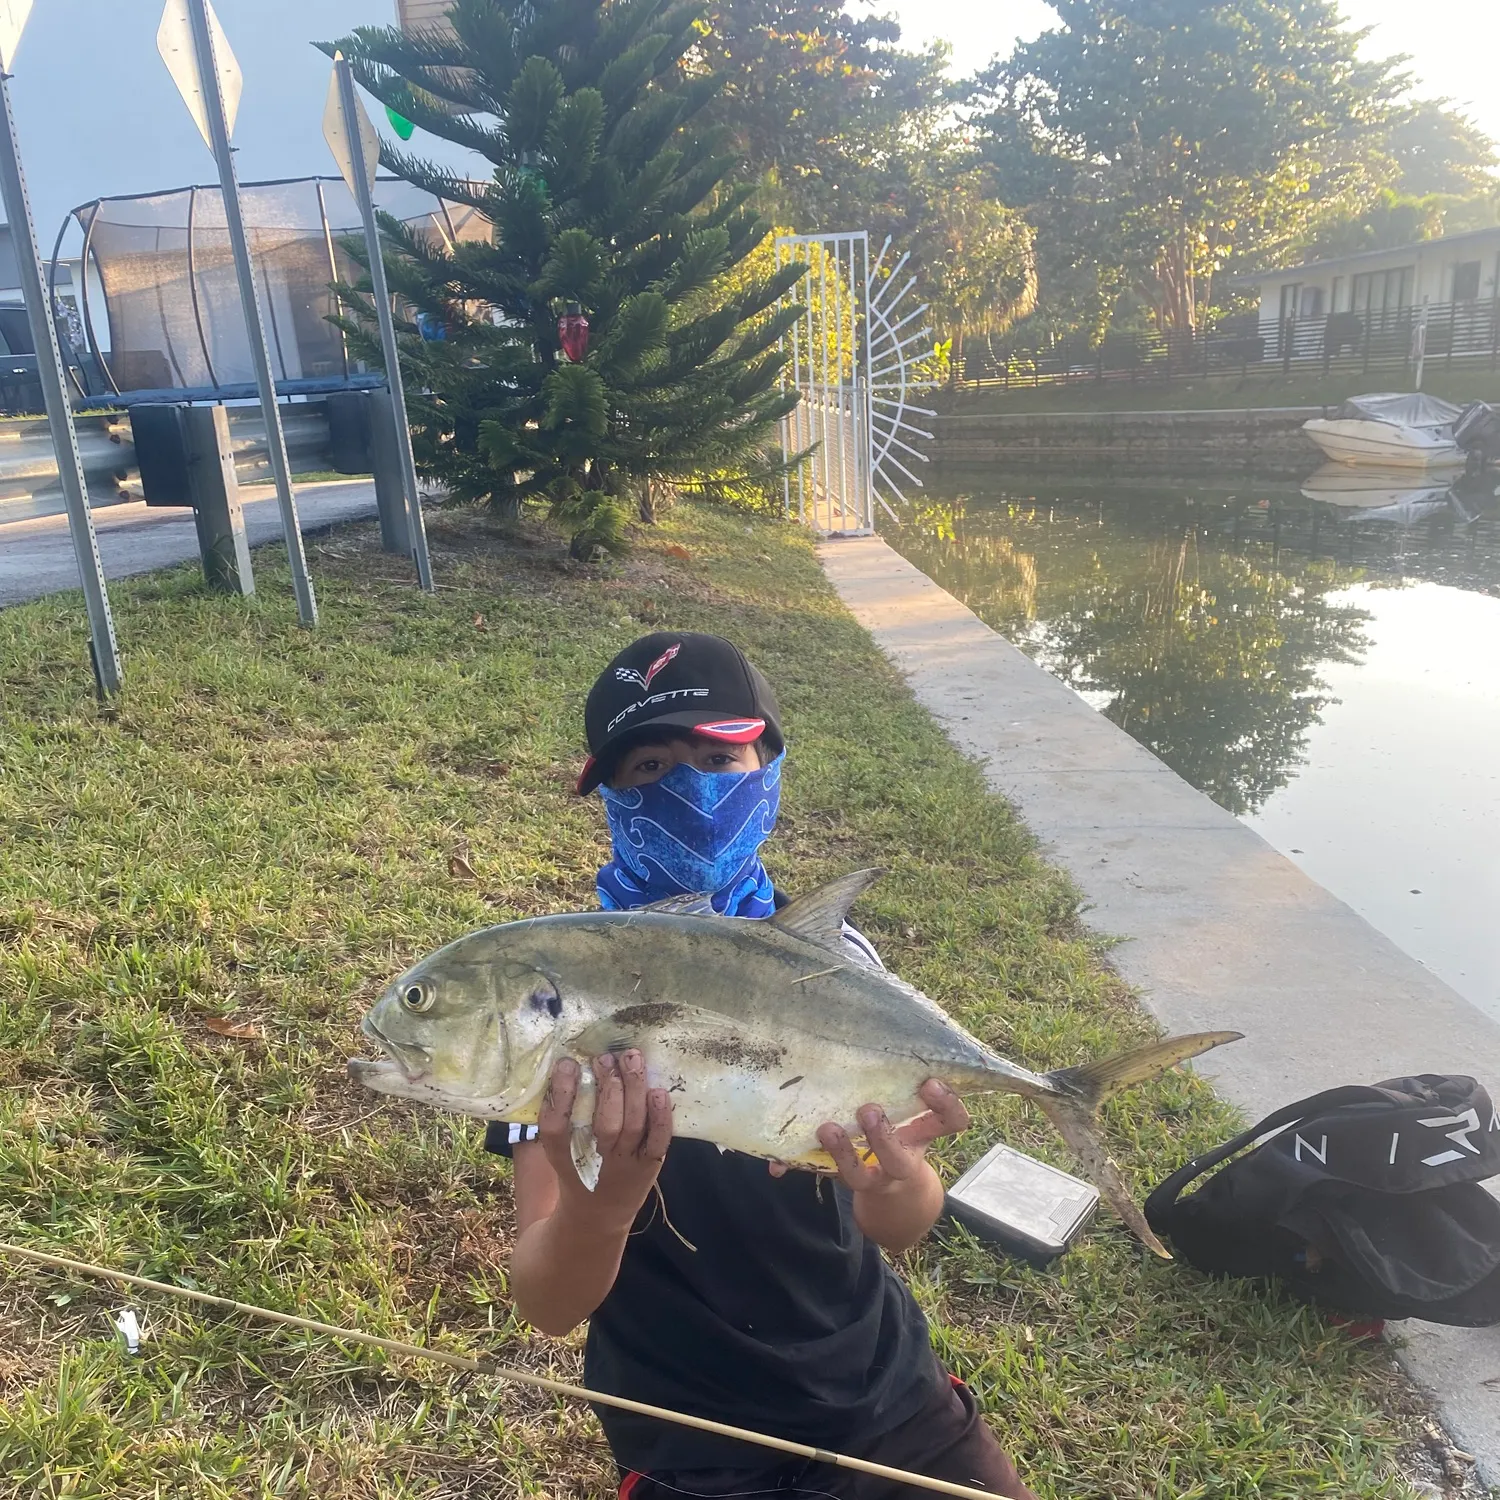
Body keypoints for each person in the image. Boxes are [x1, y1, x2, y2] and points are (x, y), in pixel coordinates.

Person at [485, 632, 1039, 1500]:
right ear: (602, 793)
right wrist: (605, 1211)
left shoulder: (835, 963)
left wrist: (891, 1184)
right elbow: (549, 1306)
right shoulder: (553, 994)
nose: (687, 787)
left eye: (717, 756)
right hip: (694, 1441)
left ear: (770, 764)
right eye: (648, 768)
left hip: (887, 1395)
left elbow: (903, 1222)